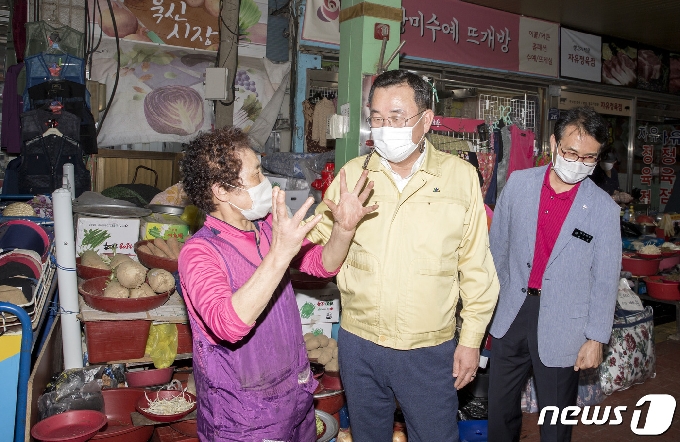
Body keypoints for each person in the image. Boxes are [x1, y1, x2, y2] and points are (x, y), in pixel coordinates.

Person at [306, 69, 500, 441]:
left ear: (426, 120)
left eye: (396, 118)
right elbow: (313, 243)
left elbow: (476, 268)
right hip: (359, 342)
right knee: (368, 435)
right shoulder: (353, 176)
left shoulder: (460, 178)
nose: (385, 128)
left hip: (426, 348)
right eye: (377, 119)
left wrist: (471, 339)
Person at [177, 127, 377, 441]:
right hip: (242, 416)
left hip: (294, 397)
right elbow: (229, 324)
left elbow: (322, 265)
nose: (267, 181)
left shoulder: (267, 227)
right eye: (256, 173)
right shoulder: (200, 253)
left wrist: (344, 229)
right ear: (222, 191)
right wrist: (280, 253)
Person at [487, 107, 622, 442]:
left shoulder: (604, 210)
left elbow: (606, 279)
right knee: (499, 410)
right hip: (512, 312)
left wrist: (596, 337)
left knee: (555, 420)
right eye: (570, 152)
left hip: (566, 323)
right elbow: (496, 251)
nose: (577, 163)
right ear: (552, 143)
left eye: (588, 157)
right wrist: (489, 305)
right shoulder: (519, 185)